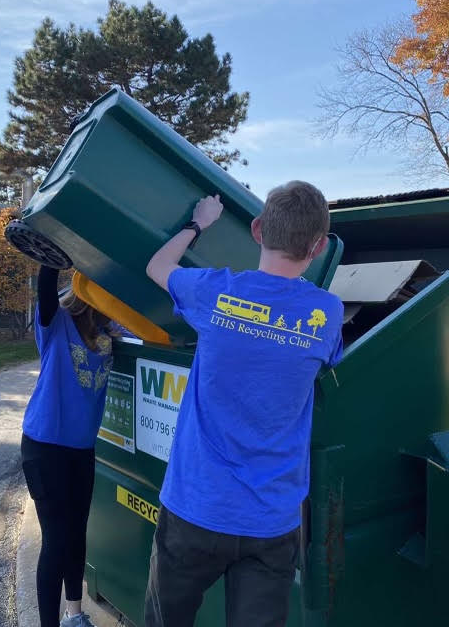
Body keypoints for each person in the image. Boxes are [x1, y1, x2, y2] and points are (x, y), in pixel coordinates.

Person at [143, 181, 344, 627]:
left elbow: (158, 265)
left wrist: (200, 223)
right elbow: (330, 359)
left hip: (196, 508)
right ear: (318, 247)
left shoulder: (212, 292)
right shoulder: (327, 313)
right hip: (270, 523)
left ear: (256, 230)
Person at [20, 265, 115, 627]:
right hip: (46, 448)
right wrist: (57, 252)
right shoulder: (55, 324)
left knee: (76, 534)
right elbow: (45, 285)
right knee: (57, 542)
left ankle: (74, 615)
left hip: (81, 450)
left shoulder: (108, 334)